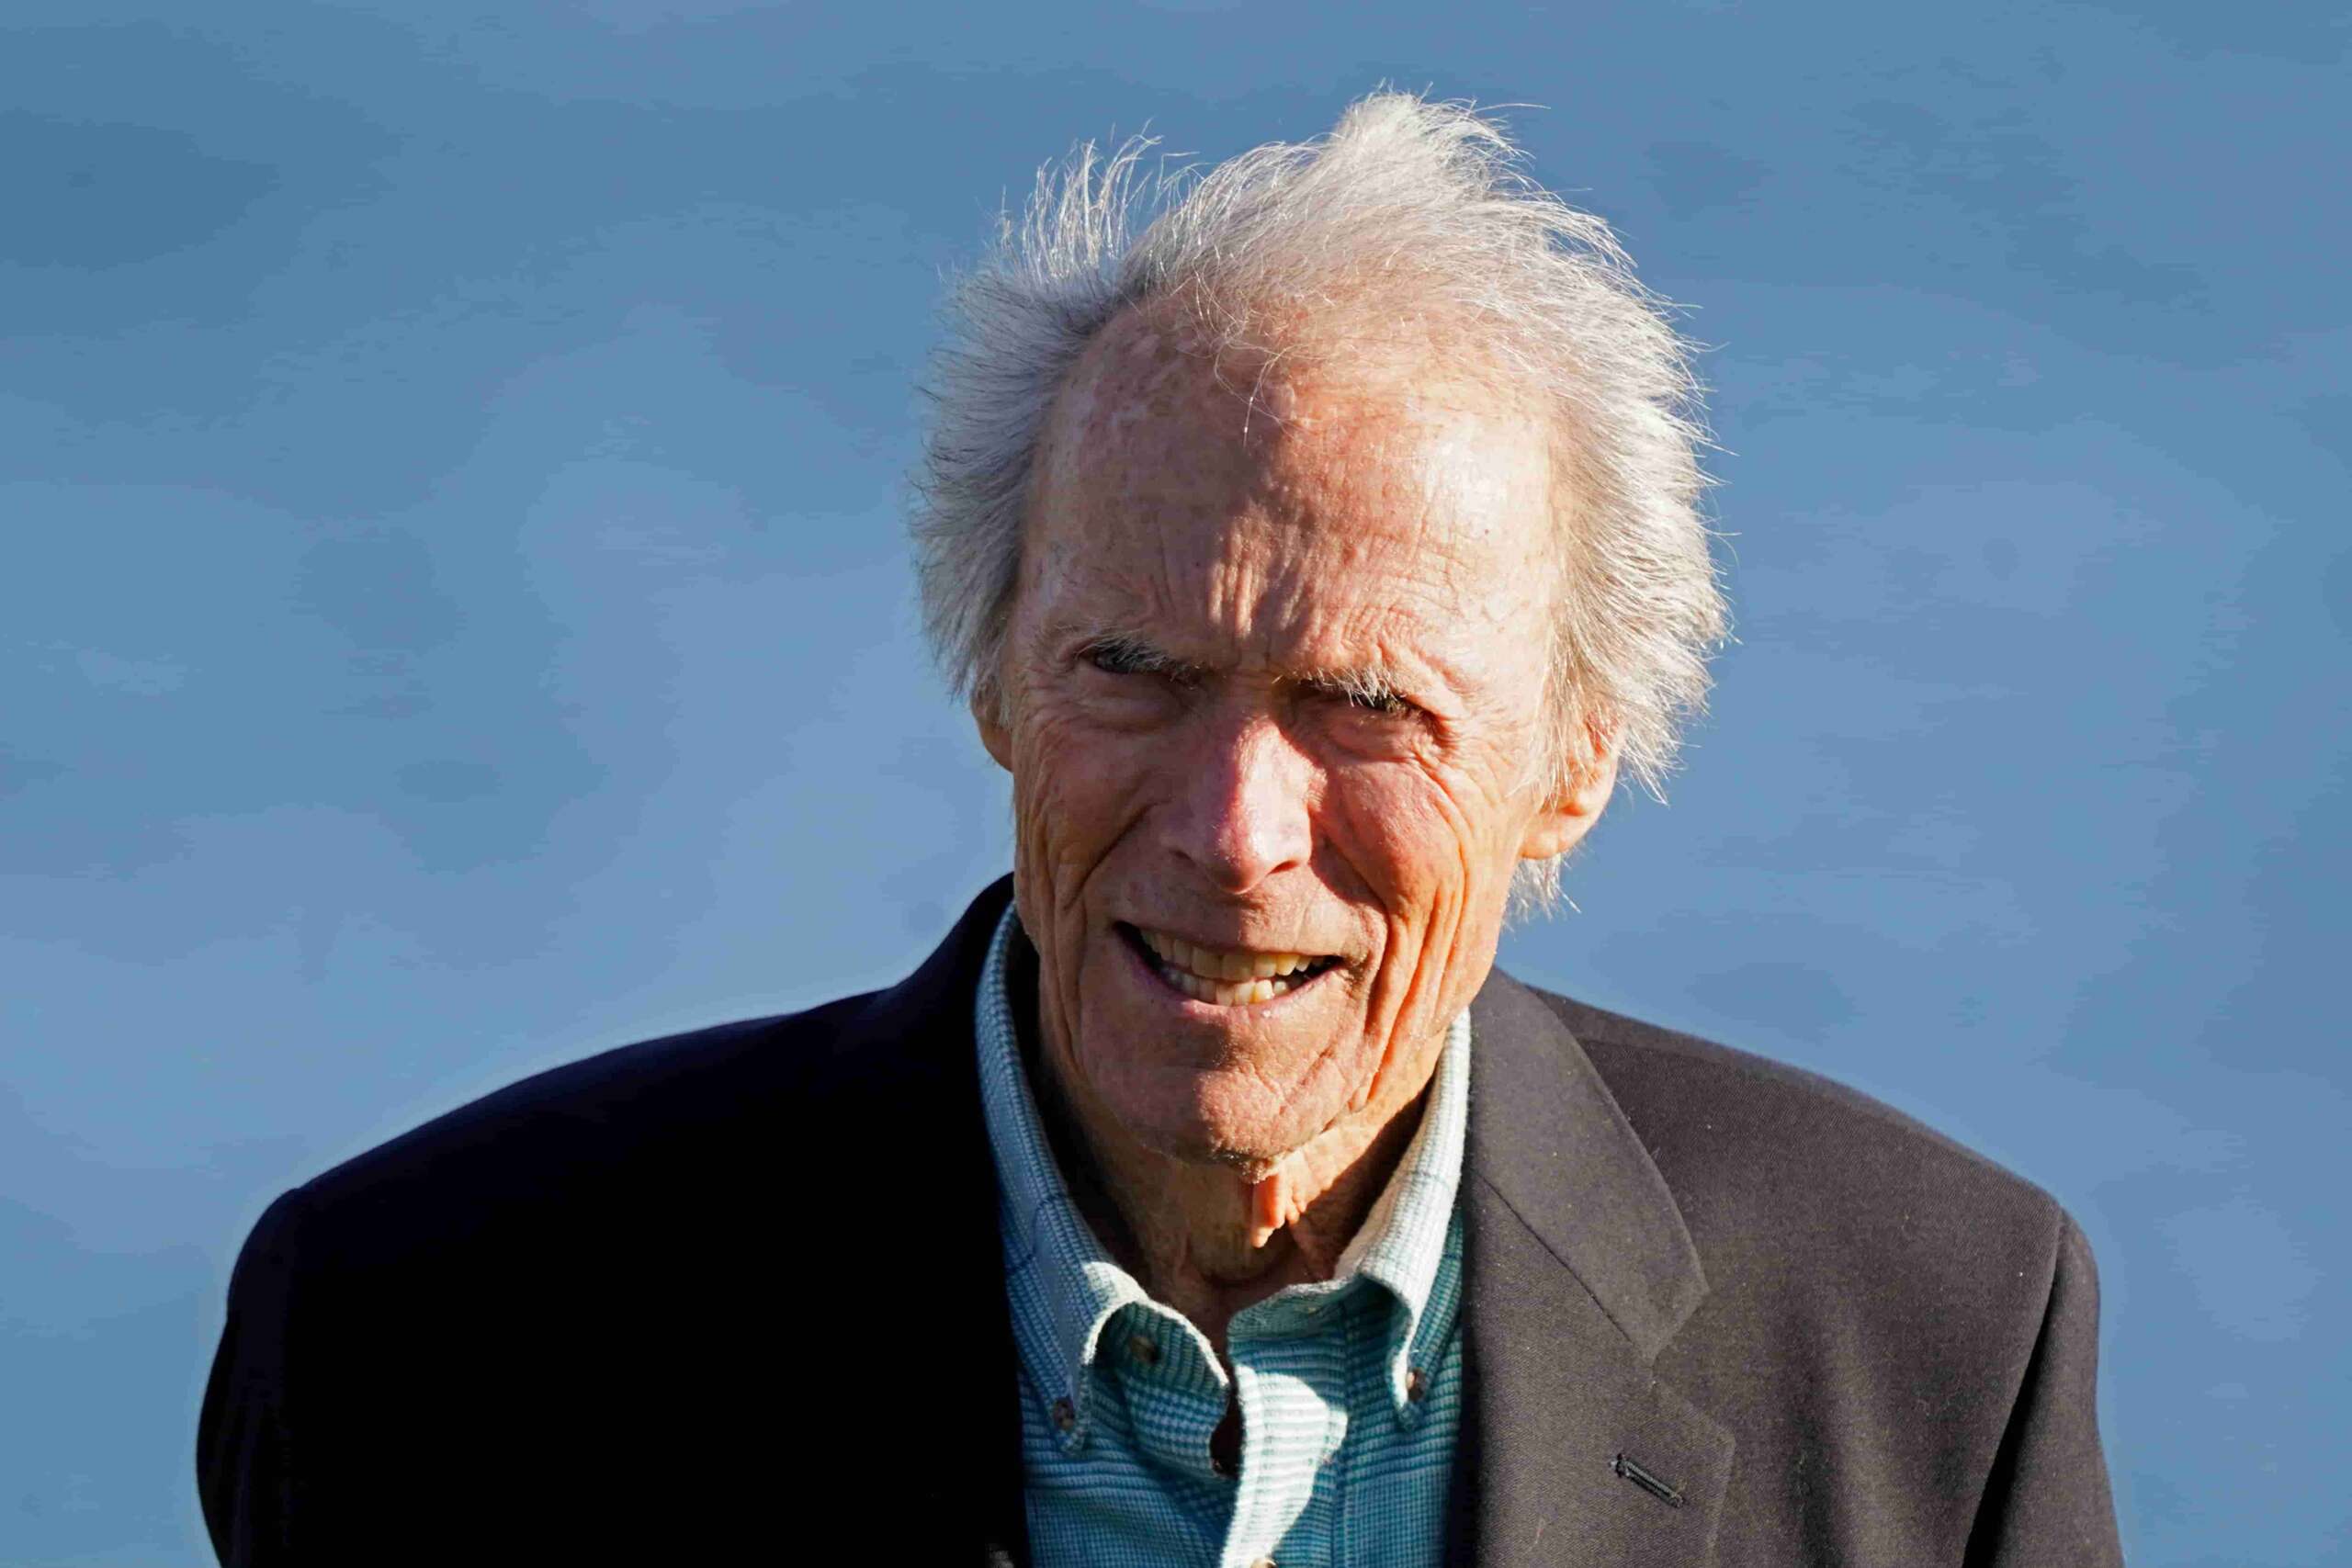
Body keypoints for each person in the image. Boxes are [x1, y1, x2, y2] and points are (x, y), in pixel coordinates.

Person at [197, 93, 2124, 1566]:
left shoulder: (1932, 1346)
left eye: (1366, 706)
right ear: (993, 680)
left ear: (1575, 763)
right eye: (1132, 668)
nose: (1231, 827)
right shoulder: (426, 1336)